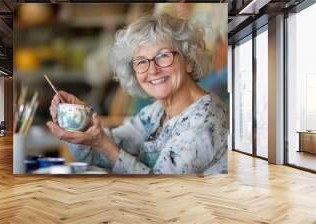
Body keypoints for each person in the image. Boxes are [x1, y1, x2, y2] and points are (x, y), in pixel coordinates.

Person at [47, 13, 228, 174]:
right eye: (141, 61)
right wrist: (79, 119)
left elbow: (160, 191)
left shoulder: (204, 121)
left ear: (189, 60)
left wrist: (104, 144)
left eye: (163, 56)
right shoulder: (156, 113)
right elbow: (98, 153)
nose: (153, 70)